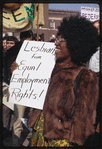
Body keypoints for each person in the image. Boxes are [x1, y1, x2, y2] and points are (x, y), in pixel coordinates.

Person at [30, 16, 99, 147]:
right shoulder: (49, 69)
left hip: (60, 142)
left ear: (76, 43)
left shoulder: (85, 76)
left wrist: (72, 143)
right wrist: (16, 71)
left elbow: (83, 119)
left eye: (62, 39)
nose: (56, 43)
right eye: (57, 38)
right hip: (37, 136)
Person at [3, 30, 33, 146]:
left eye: (28, 37)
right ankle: (16, 143)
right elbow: (9, 72)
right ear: (21, 38)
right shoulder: (13, 51)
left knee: (27, 117)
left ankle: (26, 140)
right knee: (18, 117)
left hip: (33, 88)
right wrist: (12, 70)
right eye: (25, 37)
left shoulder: (36, 49)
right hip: (20, 88)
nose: (27, 40)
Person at [3, 36, 18, 140]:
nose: (8, 45)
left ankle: (11, 131)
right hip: (5, 85)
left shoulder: (18, 56)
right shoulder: (4, 55)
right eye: (7, 43)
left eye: (11, 43)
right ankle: (5, 131)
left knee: (14, 111)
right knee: (5, 110)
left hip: (16, 87)